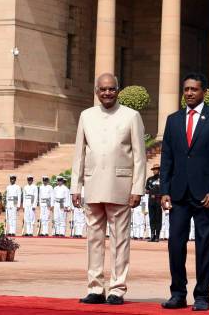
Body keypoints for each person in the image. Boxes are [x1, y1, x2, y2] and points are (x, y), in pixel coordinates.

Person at [71, 73, 147, 305]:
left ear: (118, 90)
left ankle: (117, 288)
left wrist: (137, 188)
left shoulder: (131, 116)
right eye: (103, 89)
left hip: (121, 185)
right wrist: (76, 186)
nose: (107, 93)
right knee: (93, 239)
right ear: (96, 91)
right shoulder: (86, 116)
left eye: (111, 89)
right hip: (93, 184)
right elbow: (79, 154)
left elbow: (140, 156)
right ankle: (95, 287)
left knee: (119, 239)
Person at [160, 72, 209, 311]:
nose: (189, 93)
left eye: (194, 89)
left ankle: (202, 295)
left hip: (206, 196)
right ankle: (177, 293)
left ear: (204, 92)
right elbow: (167, 157)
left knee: (205, 246)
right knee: (175, 245)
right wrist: (164, 191)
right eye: (186, 89)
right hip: (178, 194)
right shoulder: (173, 119)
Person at [146, 164, 163, 242]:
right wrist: (150, 192)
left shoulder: (162, 179)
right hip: (151, 200)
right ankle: (152, 235)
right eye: (154, 169)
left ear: (159, 170)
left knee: (158, 218)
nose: (155, 170)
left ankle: (157, 236)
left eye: (157, 169)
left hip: (158, 200)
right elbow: (146, 189)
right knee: (151, 217)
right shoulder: (149, 179)